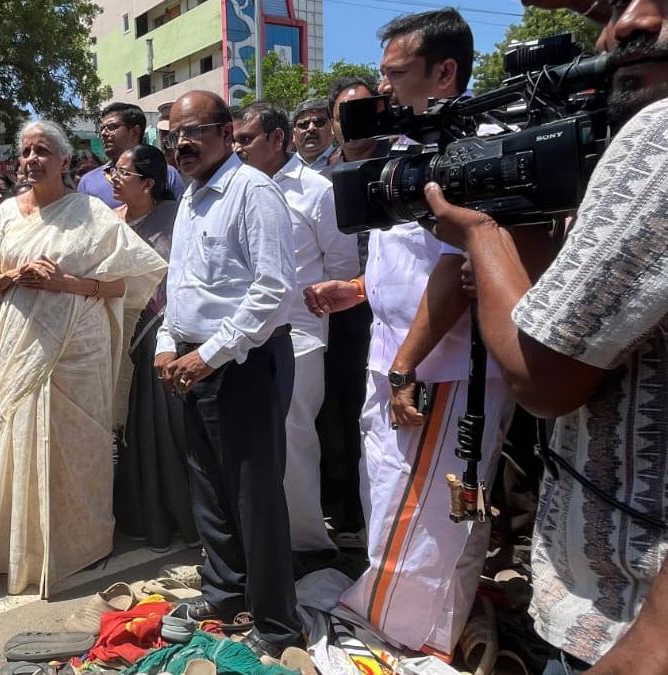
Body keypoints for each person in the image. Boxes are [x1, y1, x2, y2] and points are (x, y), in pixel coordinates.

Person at [421, 1, 668, 673]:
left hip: (622, 619)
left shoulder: (658, 133)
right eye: (615, 3)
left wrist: (481, 235)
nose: (629, 23)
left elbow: (542, 375)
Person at [304, 9, 515, 657]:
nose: (383, 87)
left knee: (424, 516)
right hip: (396, 358)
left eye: (395, 73)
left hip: (441, 369)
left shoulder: (479, 144)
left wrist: (406, 367)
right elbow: (408, 261)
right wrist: (358, 290)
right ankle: (412, 627)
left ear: (444, 72)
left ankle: (410, 643)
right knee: (391, 497)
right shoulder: (407, 144)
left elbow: (456, 269)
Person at [0, 119, 166, 596]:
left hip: (79, 350)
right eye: (26, 151)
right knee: (19, 440)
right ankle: (26, 550)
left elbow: (128, 282)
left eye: (42, 150)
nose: (32, 159)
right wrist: (15, 275)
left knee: (80, 446)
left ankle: (84, 544)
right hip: (20, 344)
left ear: (64, 160)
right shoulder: (6, 213)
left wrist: (66, 283)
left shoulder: (92, 212)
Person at [153, 90, 302, 663]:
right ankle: (224, 592)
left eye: (193, 131)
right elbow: (181, 284)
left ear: (226, 131)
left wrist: (209, 355)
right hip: (193, 362)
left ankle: (277, 623)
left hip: (242, 363)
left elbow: (272, 291)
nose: (182, 144)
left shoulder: (252, 191)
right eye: (173, 136)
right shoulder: (191, 196)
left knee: (253, 495)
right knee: (210, 488)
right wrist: (169, 344)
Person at [232, 102, 360, 565]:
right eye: (235, 140)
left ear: (276, 139)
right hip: (242, 335)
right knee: (251, 442)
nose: (237, 148)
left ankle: (305, 546)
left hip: (300, 335)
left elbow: (343, 267)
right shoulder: (236, 189)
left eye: (246, 139)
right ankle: (260, 540)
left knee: (293, 438)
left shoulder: (318, 191)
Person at [107, 144, 198, 553]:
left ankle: (184, 518)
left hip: (164, 338)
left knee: (166, 432)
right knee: (132, 433)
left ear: (147, 183)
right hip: (120, 337)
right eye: (113, 171)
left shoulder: (177, 218)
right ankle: (144, 518)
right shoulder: (110, 222)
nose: (113, 178)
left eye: (122, 172)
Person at [315, 75, 385, 546]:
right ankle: (344, 511)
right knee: (337, 409)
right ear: (333, 122)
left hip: (387, 310)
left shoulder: (401, 164)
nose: (354, 122)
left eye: (365, 110)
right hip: (337, 312)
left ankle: (379, 511)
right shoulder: (321, 178)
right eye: (345, 113)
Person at [76, 102, 185, 207]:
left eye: (112, 127)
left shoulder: (167, 173)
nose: (104, 133)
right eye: (102, 129)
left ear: (135, 132)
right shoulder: (88, 182)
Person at [291, 98, 335, 177]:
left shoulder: (346, 160)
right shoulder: (282, 168)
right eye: (304, 124)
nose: (311, 128)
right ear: (294, 134)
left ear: (332, 127)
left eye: (319, 122)